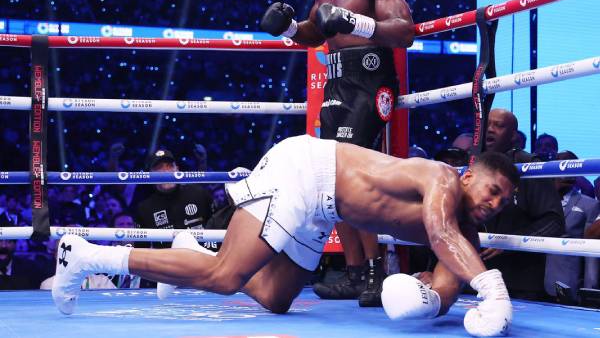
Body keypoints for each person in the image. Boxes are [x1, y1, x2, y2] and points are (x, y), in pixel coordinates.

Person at [53, 134, 518, 336]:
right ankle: (89, 256)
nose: (494, 204)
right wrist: (494, 289)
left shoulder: (466, 240)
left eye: (504, 202)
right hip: (306, 171)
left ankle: (190, 251)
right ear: (468, 177)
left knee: (275, 298)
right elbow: (437, 231)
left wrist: (427, 301)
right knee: (224, 277)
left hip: (324, 207)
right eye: (493, 190)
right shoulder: (438, 177)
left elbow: (445, 282)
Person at [260, 0, 415, 307]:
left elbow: (405, 33)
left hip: (370, 79)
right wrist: (291, 28)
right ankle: (354, 273)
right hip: (336, 82)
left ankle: (378, 275)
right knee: (330, 180)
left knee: (355, 178)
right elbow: (317, 32)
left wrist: (356, 22)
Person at [481, 109, 565, 300]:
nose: (491, 130)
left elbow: (554, 221)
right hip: (474, 278)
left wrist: (512, 241)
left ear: (513, 136)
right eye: (488, 124)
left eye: (499, 125)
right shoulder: (472, 164)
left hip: (519, 280)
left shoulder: (529, 166)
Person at [544, 151, 600, 302]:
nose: (563, 174)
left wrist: (589, 290)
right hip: (536, 282)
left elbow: (590, 253)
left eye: (568, 169)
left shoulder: (589, 204)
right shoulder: (540, 202)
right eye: (559, 169)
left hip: (569, 284)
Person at [135, 148, 215, 248]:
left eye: (169, 166)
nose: (165, 172)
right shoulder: (144, 209)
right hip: (166, 261)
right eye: (159, 168)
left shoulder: (198, 194)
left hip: (204, 257)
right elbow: (141, 248)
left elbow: (218, 225)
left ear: (177, 169)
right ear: (150, 174)